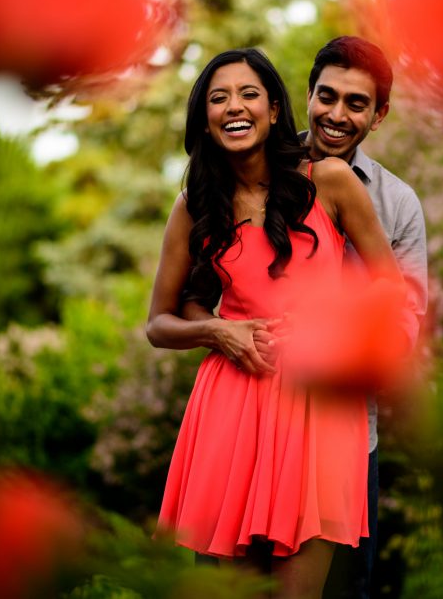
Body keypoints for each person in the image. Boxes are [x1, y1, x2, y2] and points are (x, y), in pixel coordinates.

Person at [146, 48, 401, 599]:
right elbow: (159, 322)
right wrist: (217, 330)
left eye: (248, 94)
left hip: (318, 408)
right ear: (204, 117)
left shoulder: (329, 180)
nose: (234, 107)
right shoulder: (195, 205)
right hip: (231, 406)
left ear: (276, 108)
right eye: (218, 98)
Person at [302, 36, 428, 599]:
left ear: (378, 116)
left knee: (342, 591)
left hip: (351, 440)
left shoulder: (397, 203)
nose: (336, 114)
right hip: (259, 423)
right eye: (326, 95)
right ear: (307, 94)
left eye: (356, 103)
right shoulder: (256, 173)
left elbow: (407, 322)